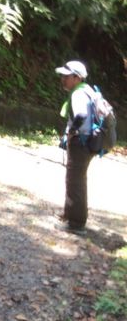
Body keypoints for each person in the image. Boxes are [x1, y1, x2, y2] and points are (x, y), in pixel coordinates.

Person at [55, 60, 96, 235]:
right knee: (75, 179)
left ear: (77, 78)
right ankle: (70, 215)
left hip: (80, 142)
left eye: (66, 76)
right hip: (87, 142)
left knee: (75, 182)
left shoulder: (78, 94)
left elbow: (80, 114)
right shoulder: (88, 91)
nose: (62, 79)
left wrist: (71, 131)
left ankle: (76, 224)